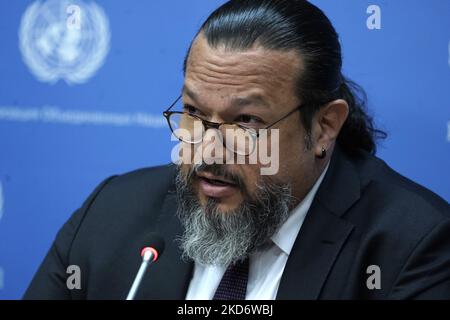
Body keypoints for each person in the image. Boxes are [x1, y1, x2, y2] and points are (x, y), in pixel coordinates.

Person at [24, 0, 450, 300]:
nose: (208, 150)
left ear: (324, 126)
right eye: (193, 111)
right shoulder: (111, 214)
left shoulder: (412, 249)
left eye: (246, 122)